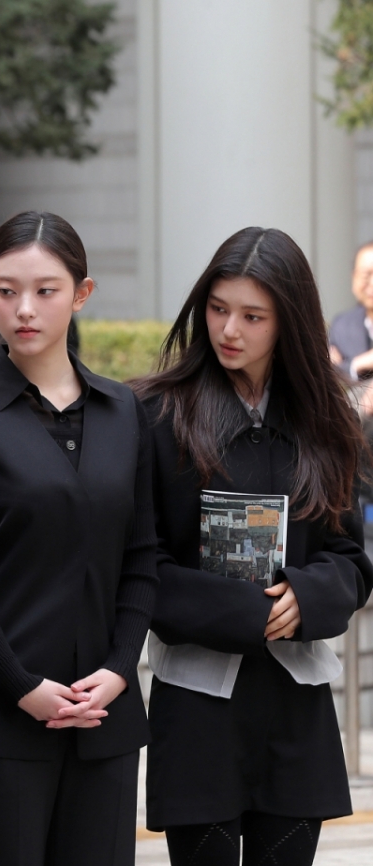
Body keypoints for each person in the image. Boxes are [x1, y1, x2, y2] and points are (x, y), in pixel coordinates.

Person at [0, 211, 158, 866]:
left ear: (82, 294)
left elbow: (141, 557)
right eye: (5, 290)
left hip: (103, 715)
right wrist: (21, 685)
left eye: (46, 290)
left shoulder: (123, 412)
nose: (24, 309)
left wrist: (118, 669)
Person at [134, 227, 373, 866]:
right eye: (217, 309)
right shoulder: (159, 416)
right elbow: (140, 565)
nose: (228, 329)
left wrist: (309, 594)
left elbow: (352, 557)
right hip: (197, 704)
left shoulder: (329, 419)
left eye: (252, 315)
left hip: (295, 702)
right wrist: (239, 611)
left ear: (288, 321)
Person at [328, 240, 373, 380]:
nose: (372, 283)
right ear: (354, 278)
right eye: (366, 275)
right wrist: (357, 364)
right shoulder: (342, 326)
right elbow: (330, 371)